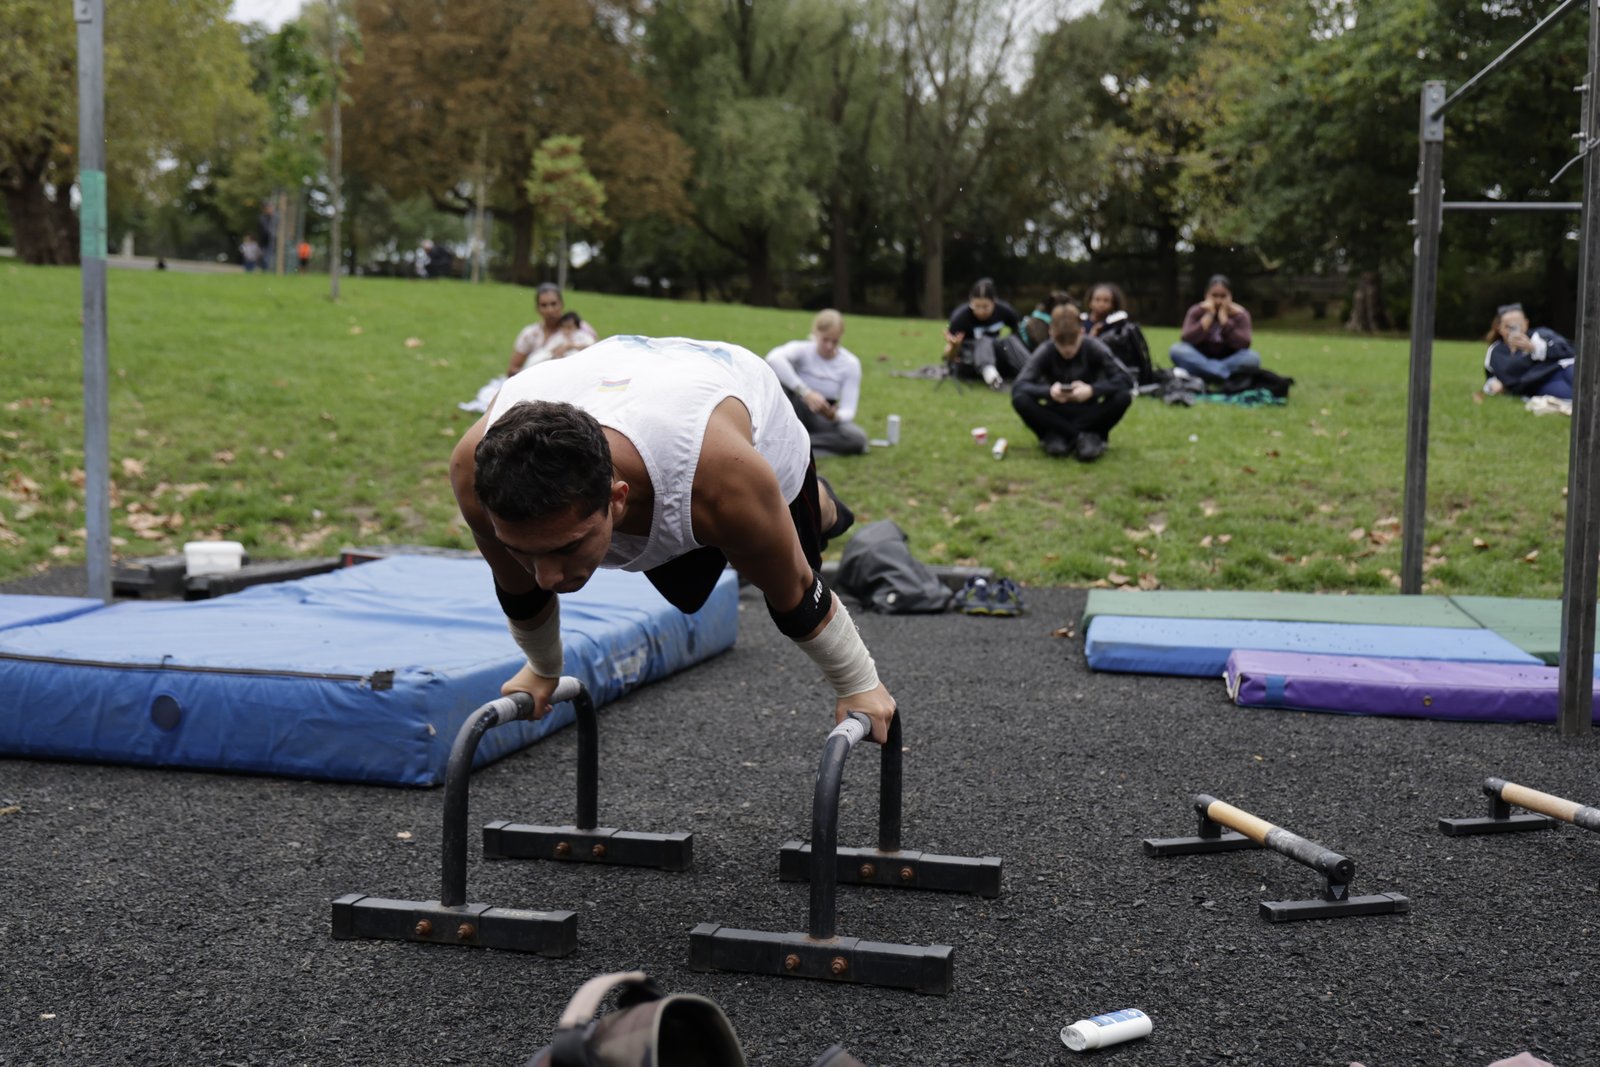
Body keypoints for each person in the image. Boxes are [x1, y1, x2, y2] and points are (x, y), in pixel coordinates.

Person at [450, 334, 897, 743]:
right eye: (523, 550)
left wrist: (859, 684)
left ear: (617, 499)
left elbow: (797, 592)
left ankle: (820, 502)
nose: (546, 576)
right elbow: (520, 590)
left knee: (781, 556)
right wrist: (543, 668)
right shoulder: (475, 475)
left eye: (566, 547)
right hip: (619, 380)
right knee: (688, 588)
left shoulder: (725, 480)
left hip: (726, 405)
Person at [1010, 306, 1133, 461]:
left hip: (1090, 413)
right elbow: (1019, 386)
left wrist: (1092, 390)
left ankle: (1066, 436)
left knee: (1123, 396)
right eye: (1061, 343)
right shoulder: (1046, 350)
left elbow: (1125, 379)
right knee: (1020, 399)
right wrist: (1049, 392)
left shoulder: (1094, 347)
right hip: (1055, 414)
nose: (1067, 349)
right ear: (1051, 334)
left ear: (1082, 332)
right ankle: (1082, 436)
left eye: (1073, 342)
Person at [764, 309, 869, 456]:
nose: (829, 346)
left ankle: (796, 444)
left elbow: (848, 410)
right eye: (825, 340)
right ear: (815, 333)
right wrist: (806, 393)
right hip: (798, 409)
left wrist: (834, 416)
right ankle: (792, 442)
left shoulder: (850, 363)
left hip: (823, 418)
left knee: (857, 438)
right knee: (782, 384)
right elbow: (773, 359)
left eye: (835, 341)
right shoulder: (803, 350)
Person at [1169, 274, 1261, 383]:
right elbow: (1186, 339)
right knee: (1177, 350)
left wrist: (1225, 322)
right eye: (1214, 295)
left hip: (1229, 358)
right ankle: (1223, 374)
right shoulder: (1196, 311)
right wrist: (1208, 317)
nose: (1218, 301)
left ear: (1230, 296)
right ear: (1206, 295)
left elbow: (1244, 344)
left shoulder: (1240, 314)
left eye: (1223, 296)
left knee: (1253, 358)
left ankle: (1205, 373)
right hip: (1200, 356)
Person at [943, 278, 1031, 390]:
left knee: (1010, 340)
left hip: (995, 356)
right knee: (984, 340)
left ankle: (1033, 373)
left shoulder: (1004, 311)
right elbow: (948, 357)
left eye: (985, 307)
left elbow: (1019, 330)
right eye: (977, 306)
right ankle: (993, 379)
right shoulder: (960, 317)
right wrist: (954, 346)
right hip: (970, 360)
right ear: (971, 302)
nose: (981, 311)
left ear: (994, 302)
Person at [1483, 303, 1575, 400]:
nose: (1513, 331)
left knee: (1580, 381)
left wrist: (1534, 348)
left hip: (1563, 369)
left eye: (1518, 325)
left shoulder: (1541, 334)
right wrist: (1493, 383)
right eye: (1508, 327)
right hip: (1540, 383)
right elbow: (1493, 375)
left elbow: (1569, 350)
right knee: (1573, 396)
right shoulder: (1496, 351)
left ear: (1526, 323)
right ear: (1499, 328)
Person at [509, 283, 600, 377]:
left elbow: (597, 354)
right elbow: (512, 370)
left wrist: (570, 346)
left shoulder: (580, 327)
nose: (550, 310)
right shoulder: (530, 334)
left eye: (554, 304)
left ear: (562, 304)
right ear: (537, 308)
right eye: (544, 305)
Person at [1083, 282, 1156, 386]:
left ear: (1113, 304)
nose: (1101, 304)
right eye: (1097, 300)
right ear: (1090, 302)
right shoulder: (1082, 322)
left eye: (1106, 301)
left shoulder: (1118, 325)